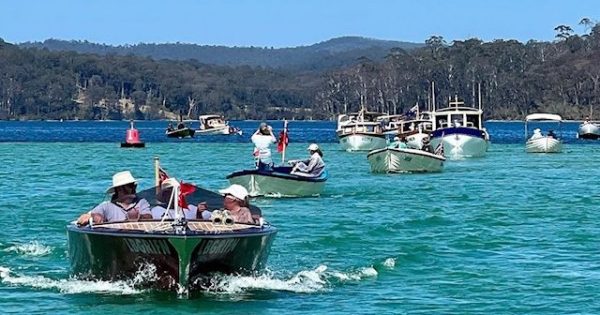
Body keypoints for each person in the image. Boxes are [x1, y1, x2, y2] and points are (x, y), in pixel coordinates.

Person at [76, 171, 152, 225]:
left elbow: (149, 217)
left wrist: (138, 217)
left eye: (134, 185)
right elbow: (87, 217)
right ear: (119, 189)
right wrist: (95, 217)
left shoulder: (141, 202)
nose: (134, 188)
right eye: (130, 186)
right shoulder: (106, 206)